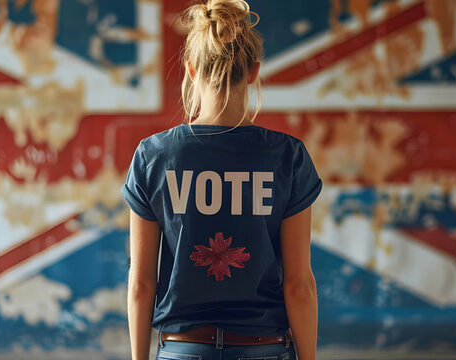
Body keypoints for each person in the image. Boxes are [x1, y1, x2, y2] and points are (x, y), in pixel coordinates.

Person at [121, 0, 322, 359]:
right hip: (263, 350)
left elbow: (141, 283)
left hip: (182, 349)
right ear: (253, 72)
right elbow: (299, 285)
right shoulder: (287, 156)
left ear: (191, 70)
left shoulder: (153, 155)